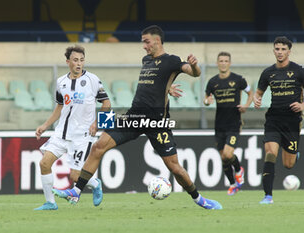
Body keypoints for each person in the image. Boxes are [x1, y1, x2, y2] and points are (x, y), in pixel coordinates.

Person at [53, 25, 223, 210]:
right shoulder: (146, 60)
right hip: (134, 116)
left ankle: (199, 200)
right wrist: (166, 88)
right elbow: (155, 84)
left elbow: (194, 73)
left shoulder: (171, 61)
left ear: (157, 40)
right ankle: (76, 192)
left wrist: (195, 65)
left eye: (146, 41)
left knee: (174, 167)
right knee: (98, 146)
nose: (144, 46)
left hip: (157, 122)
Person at [34, 45, 111, 210]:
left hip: (82, 136)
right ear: (68, 61)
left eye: (82, 60)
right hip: (61, 133)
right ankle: (50, 203)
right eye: (75, 60)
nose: (79, 64)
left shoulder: (93, 80)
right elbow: (60, 107)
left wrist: (98, 124)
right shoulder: (60, 82)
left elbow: (107, 103)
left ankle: (95, 183)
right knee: (44, 164)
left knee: (75, 176)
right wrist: (45, 126)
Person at [253, 36, 304, 204]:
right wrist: (257, 98)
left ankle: (293, 154)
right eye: (277, 49)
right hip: (273, 118)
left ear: (289, 51)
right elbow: (259, 92)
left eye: (283, 49)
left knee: (288, 165)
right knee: (270, 153)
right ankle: (268, 196)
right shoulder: (268, 72)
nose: (280, 52)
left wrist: (303, 106)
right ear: (273, 50)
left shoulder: (298, 70)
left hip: (292, 121)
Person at [204, 52, 253, 195]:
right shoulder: (212, 82)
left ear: (229, 63)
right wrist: (207, 102)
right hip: (219, 124)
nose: (223, 63)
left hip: (234, 123)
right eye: (221, 61)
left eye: (226, 61)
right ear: (217, 63)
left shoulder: (238, 80)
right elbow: (206, 98)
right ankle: (233, 184)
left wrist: (246, 105)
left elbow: (251, 93)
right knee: (223, 158)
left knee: (227, 154)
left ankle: (238, 169)